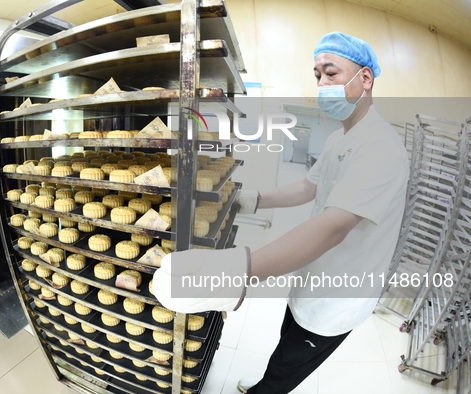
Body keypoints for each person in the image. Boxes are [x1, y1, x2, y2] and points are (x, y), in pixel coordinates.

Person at [153, 31, 410, 393]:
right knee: (285, 343)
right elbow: (308, 188)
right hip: (312, 275)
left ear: (365, 78)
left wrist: (239, 272)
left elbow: (334, 227)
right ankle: (266, 379)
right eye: (317, 74)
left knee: (288, 370)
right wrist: (252, 199)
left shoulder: (380, 147)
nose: (322, 83)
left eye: (331, 73)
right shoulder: (340, 139)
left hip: (339, 296)